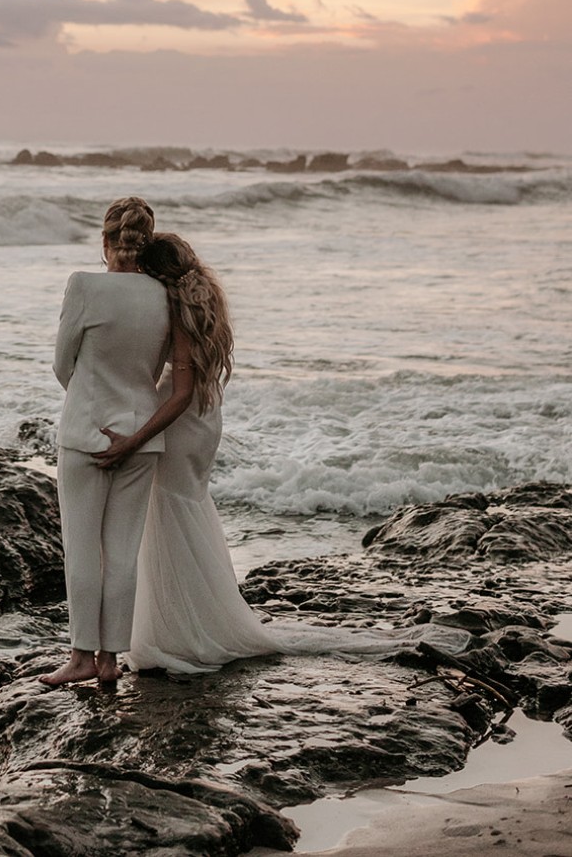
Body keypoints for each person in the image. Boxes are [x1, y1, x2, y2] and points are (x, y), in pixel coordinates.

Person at [94, 232, 469, 671]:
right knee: (185, 512)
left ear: (156, 275)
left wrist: (134, 440)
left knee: (169, 515)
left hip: (180, 422)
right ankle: (192, 621)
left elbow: (177, 395)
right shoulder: (206, 296)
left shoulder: (177, 310)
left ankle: (182, 632)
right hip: (204, 420)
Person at [41, 196, 180, 687]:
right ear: (146, 242)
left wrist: (88, 405)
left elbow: (63, 364)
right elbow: (162, 366)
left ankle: (80, 658)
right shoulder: (167, 294)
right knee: (121, 552)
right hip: (142, 436)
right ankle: (109, 660)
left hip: (86, 434)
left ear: (105, 242)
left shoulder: (84, 286)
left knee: (82, 549)